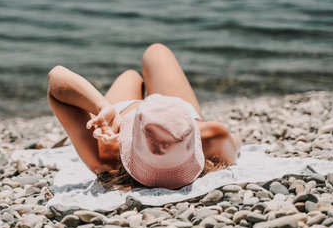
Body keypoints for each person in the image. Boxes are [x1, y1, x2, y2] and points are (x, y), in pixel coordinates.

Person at [47, 43, 242, 190]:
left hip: (121, 112)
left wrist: (102, 107)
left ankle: (132, 84)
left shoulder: (106, 154)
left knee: (130, 75)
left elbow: (56, 78)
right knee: (156, 51)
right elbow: (235, 143)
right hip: (175, 121)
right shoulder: (211, 136)